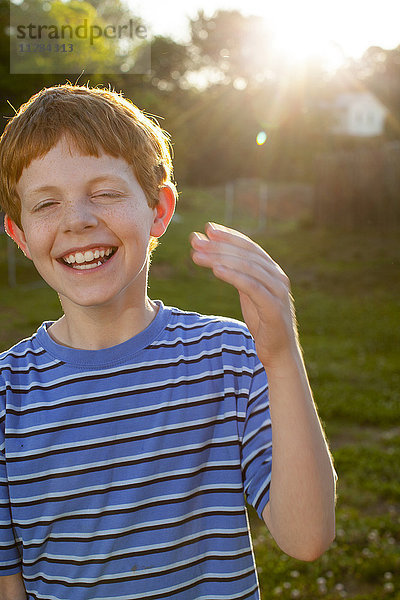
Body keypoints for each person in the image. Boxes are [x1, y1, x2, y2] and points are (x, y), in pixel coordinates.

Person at [0, 84, 336, 600]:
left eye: (106, 192)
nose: (78, 220)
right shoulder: (7, 394)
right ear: (19, 235)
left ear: (158, 209)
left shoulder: (229, 357)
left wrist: (281, 356)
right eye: (46, 204)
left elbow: (308, 536)